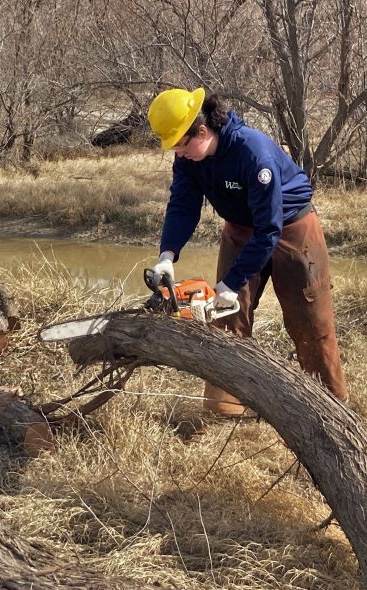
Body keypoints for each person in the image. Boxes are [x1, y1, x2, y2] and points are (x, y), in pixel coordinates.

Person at [146, 87, 348, 411]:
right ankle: (225, 406)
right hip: (240, 230)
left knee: (311, 325)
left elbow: (269, 229)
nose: (178, 153)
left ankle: (332, 410)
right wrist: (167, 256)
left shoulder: (252, 153)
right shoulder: (189, 158)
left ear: (202, 130)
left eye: (180, 145)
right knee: (224, 319)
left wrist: (232, 281)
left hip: (292, 231)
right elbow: (182, 205)